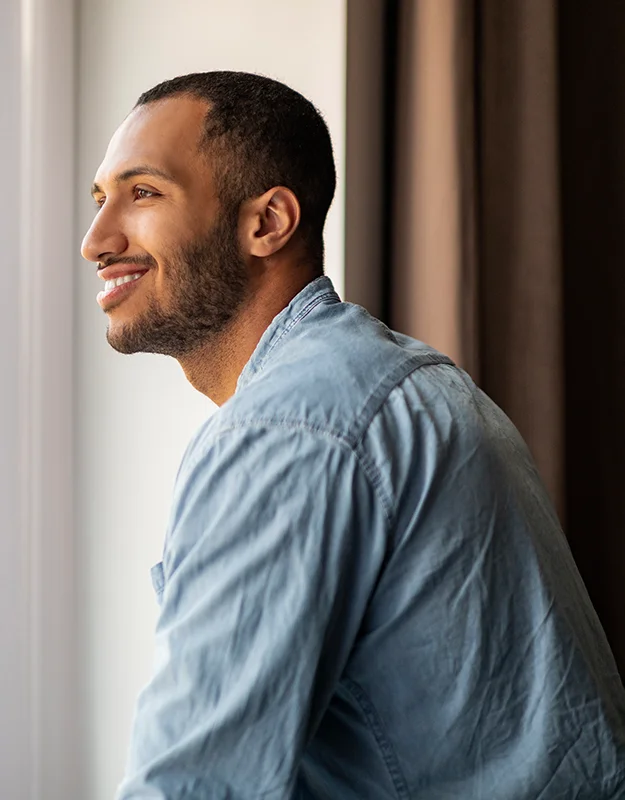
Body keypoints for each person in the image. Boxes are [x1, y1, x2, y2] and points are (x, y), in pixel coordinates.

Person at [81, 71, 625, 799]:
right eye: (99, 199)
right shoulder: (397, 382)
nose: (95, 240)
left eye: (143, 193)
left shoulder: (289, 432)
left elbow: (192, 788)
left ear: (267, 223)